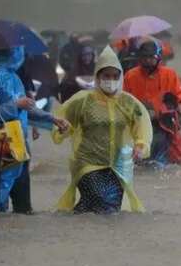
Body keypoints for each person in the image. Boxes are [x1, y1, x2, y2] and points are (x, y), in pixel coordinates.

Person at [52, 46, 152, 214]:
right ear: (98, 77)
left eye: (115, 76)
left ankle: (80, 226)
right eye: (106, 76)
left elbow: (141, 127)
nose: (110, 80)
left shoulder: (128, 103)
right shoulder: (82, 101)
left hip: (117, 166)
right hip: (87, 163)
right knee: (101, 198)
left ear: (120, 77)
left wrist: (140, 146)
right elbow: (62, 123)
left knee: (108, 209)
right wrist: (63, 129)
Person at [0, 47, 68, 213]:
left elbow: (27, 108)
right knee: (0, 190)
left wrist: (52, 119)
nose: (22, 55)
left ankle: (7, 225)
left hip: (16, 138)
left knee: (16, 192)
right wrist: (15, 105)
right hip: (2, 137)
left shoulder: (13, 76)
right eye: (18, 51)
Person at [123, 39, 181, 167]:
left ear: (158, 57)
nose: (148, 60)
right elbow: (124, 100)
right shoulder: (131, 76)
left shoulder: (169, 74)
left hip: (163, 124)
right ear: (140, 58)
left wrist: (178, 106)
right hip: (138, 125)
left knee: (173, 154)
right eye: (145, 57)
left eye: (151, 57)